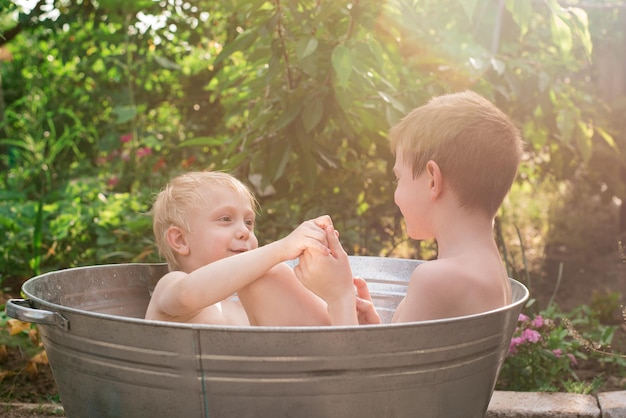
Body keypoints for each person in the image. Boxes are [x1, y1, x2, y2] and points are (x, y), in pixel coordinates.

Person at [295, 90, 524, 325]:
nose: (396, 197)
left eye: (398, 178)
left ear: (433, 180)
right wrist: (376, 329)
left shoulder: (436, 280)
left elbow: (369, 365)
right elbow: (411, 356)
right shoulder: (492, 272)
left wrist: (339, 297)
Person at [145, 170, 332, 326]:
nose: (244, 231)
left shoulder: (246, 305)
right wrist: (281, 249)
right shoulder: (172, 285)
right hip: (191, 370)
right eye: (225, 219)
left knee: (273, 276)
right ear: (180, 240)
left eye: (249, 222)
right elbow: (188, 294)